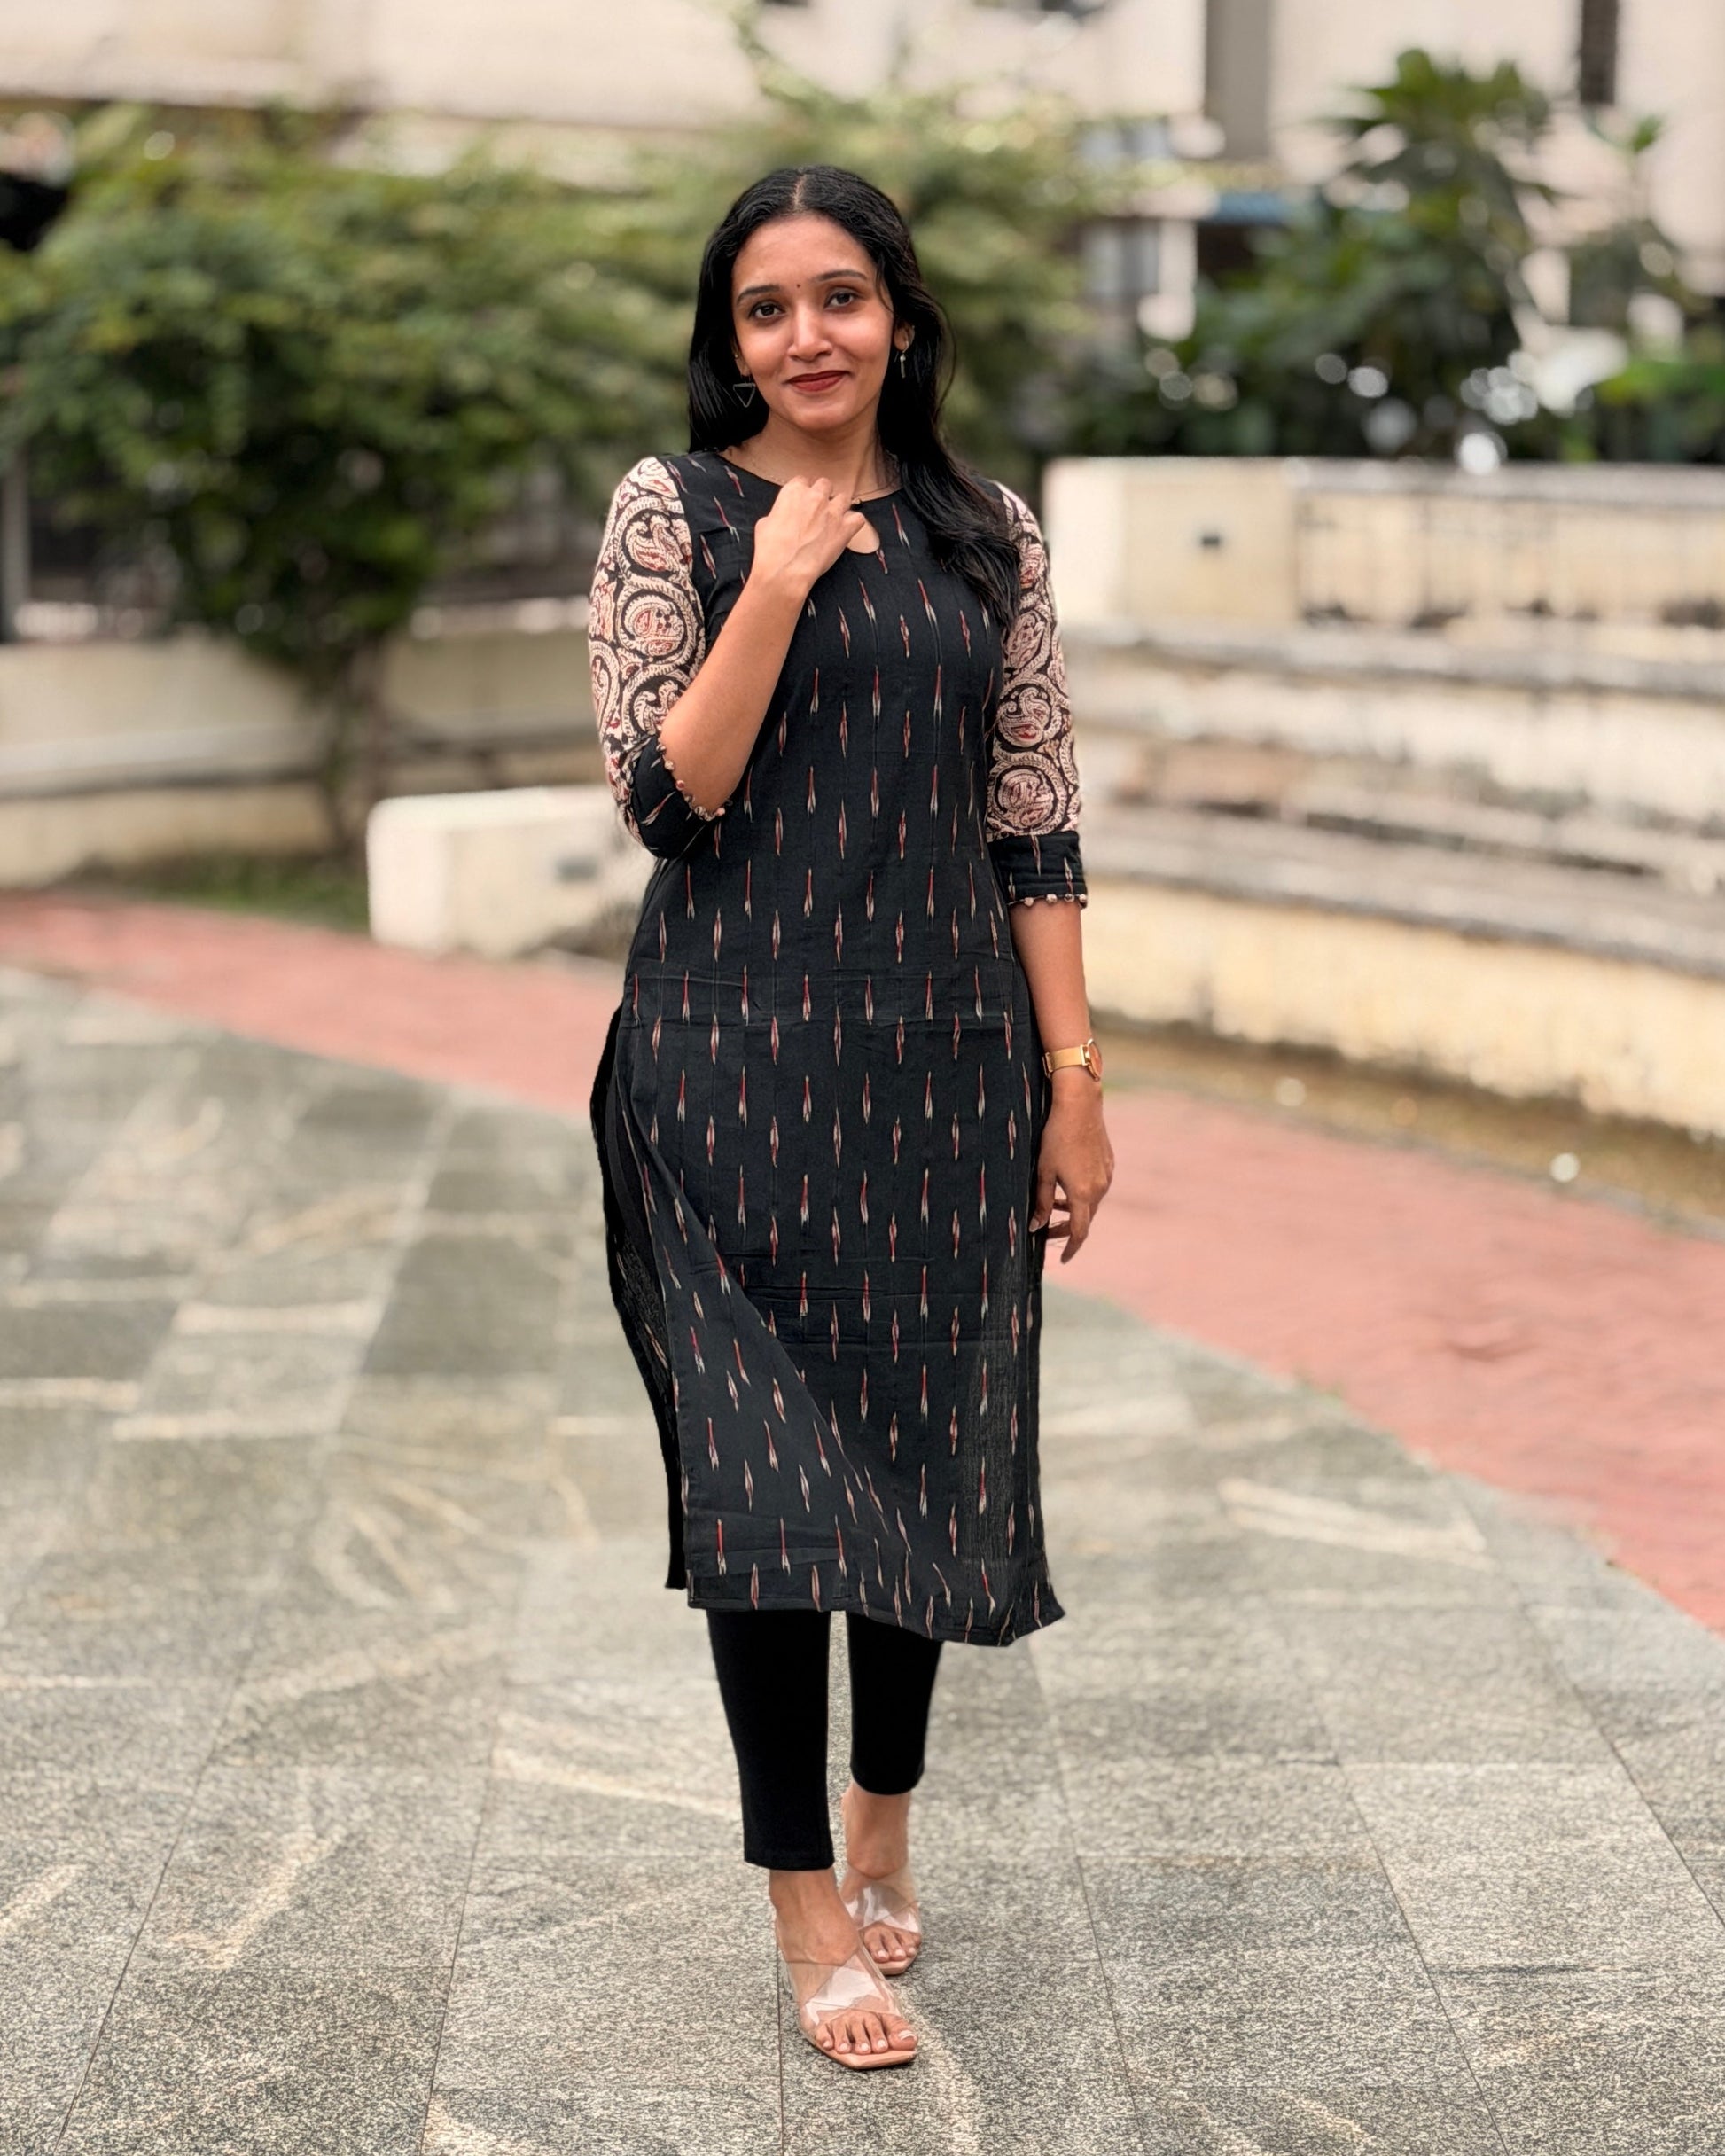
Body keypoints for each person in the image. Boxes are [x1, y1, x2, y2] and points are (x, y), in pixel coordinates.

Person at [588, 163, 1113, 2071]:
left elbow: (1033, 817)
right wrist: (779, 580)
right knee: (763, 1497)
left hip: (942, 1073)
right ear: (728, 340)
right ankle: (803, 1898)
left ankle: (884, 1808)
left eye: (838, 297)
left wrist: (1073, 1083)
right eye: (765, 308)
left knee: (918, 1461)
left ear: (899, 315)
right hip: (725, 1067)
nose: (805, 336)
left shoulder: (989, 532)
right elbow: (668, 802)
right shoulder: (674, 512)